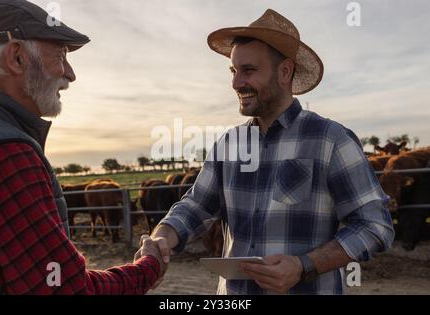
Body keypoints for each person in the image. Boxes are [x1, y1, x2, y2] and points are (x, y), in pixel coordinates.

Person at [146, 9, 395, 294]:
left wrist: (304, 265)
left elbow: (375, 226)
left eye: (248, 70)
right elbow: (195, 207)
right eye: (234, 71)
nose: (236, 83)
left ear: (285, 71)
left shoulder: (331, 140)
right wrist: (162, 237)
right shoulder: (229, 145)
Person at [0, 0, 163, 294]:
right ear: (17, 58)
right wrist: (148, 268)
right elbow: (66, 289)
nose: (70, 73)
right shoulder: (5, 152)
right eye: (61, 55)